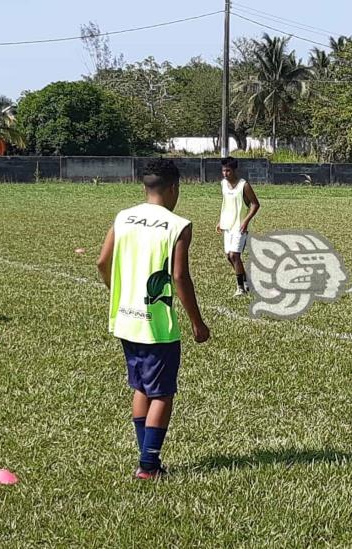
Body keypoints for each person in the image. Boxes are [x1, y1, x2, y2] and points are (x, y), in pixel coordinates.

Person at [97, 158, 210, 479]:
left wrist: (116, 290)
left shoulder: (123, 217)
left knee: (141, 387)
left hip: (125, 319)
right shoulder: (178, 225)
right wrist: (197, 322)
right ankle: (148, 466)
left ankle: (146, 457)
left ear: (145, 186)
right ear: (174, 188)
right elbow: (179, 276)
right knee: (161, 392)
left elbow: (102, 261)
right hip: (156, 324)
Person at [215, 156, 260, 296]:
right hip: (227, 225)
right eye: (223, 171)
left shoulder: (243, 185)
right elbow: (227, 204)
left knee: (235, 255)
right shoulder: (223, 184)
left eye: (228, 171)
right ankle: (246, 282)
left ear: (234, 170)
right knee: (229, 256)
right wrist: (220, 221)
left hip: (239, 226)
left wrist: (245, 221)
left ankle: (240, 288)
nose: (225, 174)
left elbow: (255, 204)